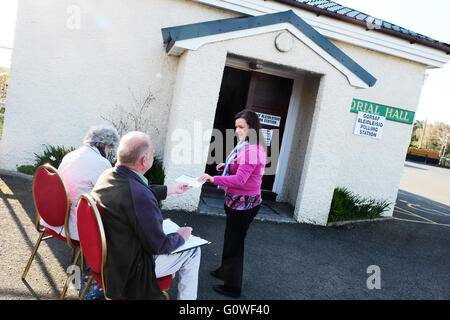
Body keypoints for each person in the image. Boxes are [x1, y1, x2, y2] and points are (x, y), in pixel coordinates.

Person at [91, 131, 201, 300]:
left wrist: (171, 189)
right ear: (144, 161)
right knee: (193, 251)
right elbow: (158, 245)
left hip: (111, 256)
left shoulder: (108, 175)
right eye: (151, 154)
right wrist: (181, 237)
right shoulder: (140, 196)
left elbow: (135, 192)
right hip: (131, 270)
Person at [198, 110, 266, 298]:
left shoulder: (252, 149)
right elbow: (237, 166)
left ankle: (232, 287)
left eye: (241, 127)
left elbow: (240, 180)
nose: (237, 130)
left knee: (235, 244)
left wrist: (214, 179)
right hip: (236, 202)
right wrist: (226, 166)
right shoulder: (246, 145)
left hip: (244, 205)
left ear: (252, 128)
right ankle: (224, 271)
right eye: (236, 126)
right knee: (230, 240)